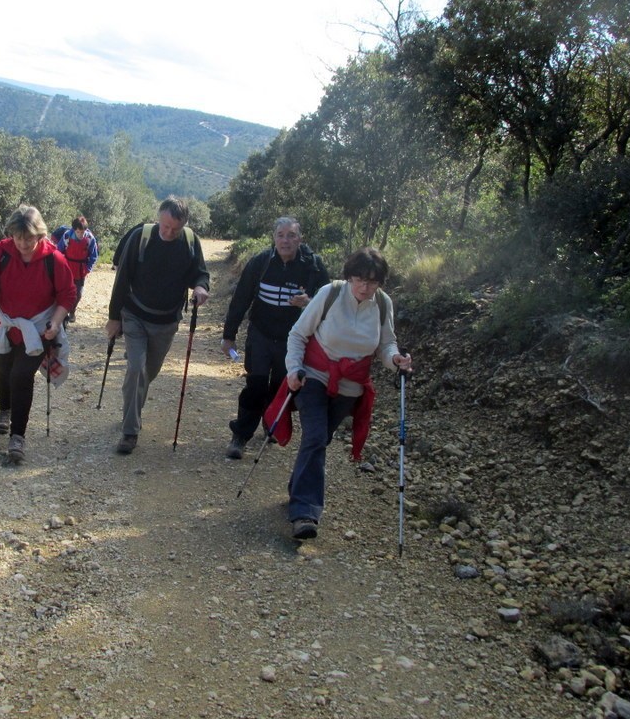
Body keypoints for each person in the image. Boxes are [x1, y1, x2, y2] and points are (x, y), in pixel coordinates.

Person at [281, 247, 413, 540]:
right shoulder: (330, 294)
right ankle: (305, 513)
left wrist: (396, 361)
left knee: (320, 440)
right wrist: (293, 370)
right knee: (314, 436)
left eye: (372, 281)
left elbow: (386, 344)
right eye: (359, 279)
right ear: (349, 276)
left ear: (380, 282)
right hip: (313, 375)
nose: (365, 287)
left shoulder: (382, 304)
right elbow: (298, 334)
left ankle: (297, 488)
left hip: (350, 386)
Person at [0, 205, 77, 464]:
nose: (23, 243)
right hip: (1, 324)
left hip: (37, 329)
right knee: (3, 371)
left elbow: (68, 295)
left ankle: (17, 436)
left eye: (29, 238)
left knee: (21, 375)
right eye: (18, 237)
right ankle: (4, 410)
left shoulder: (55, 259)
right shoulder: (2, 252)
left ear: (39, 234)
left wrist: (55, 321)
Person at [105, 196, 210, 454]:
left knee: (147, 374)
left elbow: (200, 273)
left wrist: (200, 287)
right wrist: (114, 318)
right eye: (165, 226)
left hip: (166, 321)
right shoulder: (141, 236)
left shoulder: (189, 241)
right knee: (137, 368)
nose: (169, 232)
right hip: (135, 315)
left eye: (175, 228)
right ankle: (130, 431)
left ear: (184, 224)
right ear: (158, 217)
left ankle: (132, 399)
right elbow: (122, 277)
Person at [221, 216, 329, 459]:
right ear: (274, 238)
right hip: (260, 335)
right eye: (281, 235)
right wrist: (229, 336)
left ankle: (272, 425)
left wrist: (309, 303)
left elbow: (329, 303)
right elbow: (241, 299)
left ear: (300, 239)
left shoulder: (313, 266)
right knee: (255, 385)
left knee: (281, 386)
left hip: (294, 341)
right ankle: (241, 435)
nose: (285, 240)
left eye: (291, 235)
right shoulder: (261, 262)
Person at [56, 215, 99, 323]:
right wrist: (59, 266)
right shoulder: (67, 236)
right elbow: (59, 251)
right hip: (67, 267)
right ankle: (63, 312)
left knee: (78, 294)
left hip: (80, 269)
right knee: (63, 291)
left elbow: (94, 255)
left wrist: (88, 269)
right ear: (74, 230)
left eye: (82, 232)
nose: (80, 234)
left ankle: (72, 310)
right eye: (78, 232)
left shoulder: (90, 238)